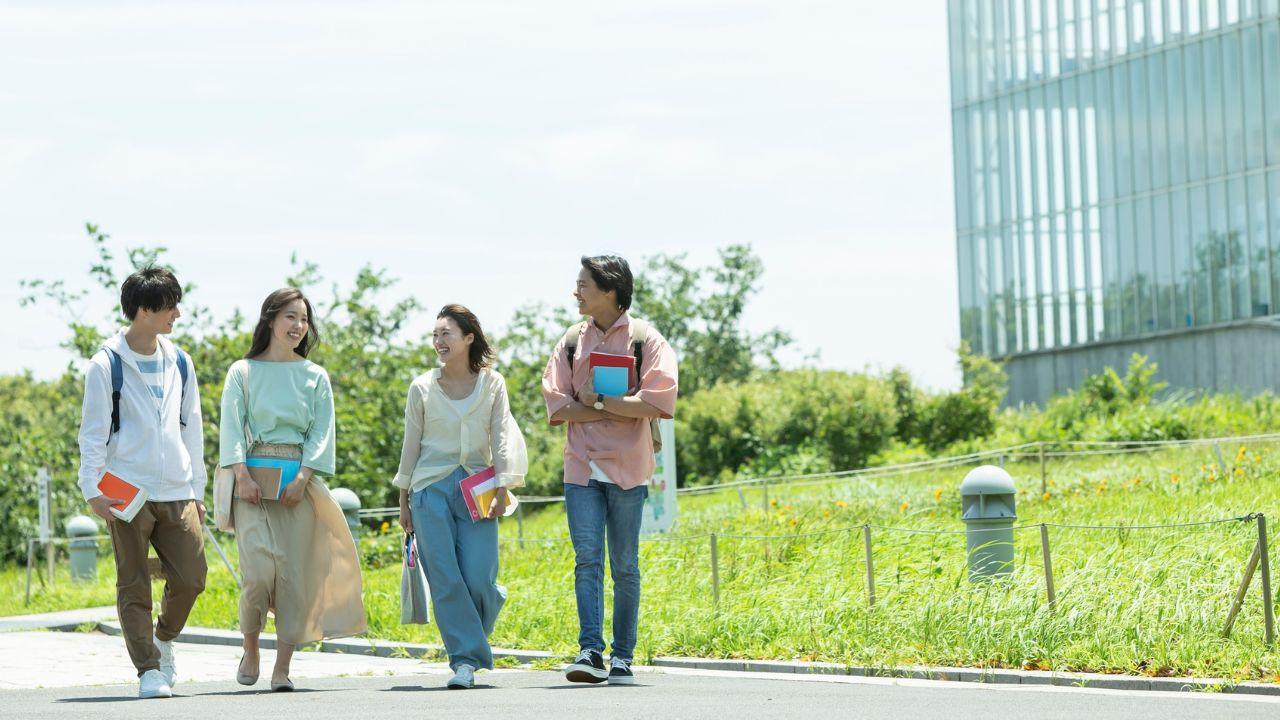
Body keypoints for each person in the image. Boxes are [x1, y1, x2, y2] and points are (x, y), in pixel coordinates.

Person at [218, 287, 366, 691]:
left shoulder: (314, 375)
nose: (299, 327)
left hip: (299, 483)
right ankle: (251, 647)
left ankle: (282, 668)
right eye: (290, 317)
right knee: (258, 572)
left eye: (304, 319)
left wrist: (303, 478)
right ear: (270, 319)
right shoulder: (242, 371)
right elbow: (231, 428)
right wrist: (242, 475)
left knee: (293, 576)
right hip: (251, 483)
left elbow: (322, 432)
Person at [541, 255, 678, 685]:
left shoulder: (645, 340)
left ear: (610, 289)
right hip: (581, 467)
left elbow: (659, 402)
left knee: (624, 565)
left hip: (628, 468)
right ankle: (590, 652)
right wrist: (618, 407)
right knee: (587, 561)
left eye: (583, 284)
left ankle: (622, 656)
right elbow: (557, 404)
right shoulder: (569, 340)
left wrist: (597, 401)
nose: (575, 292)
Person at [76, 265, 207, 699]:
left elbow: (193, 429)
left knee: (192, 577)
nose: (178, 314)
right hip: (126, 490)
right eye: (170, 306)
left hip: (177, 488)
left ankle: (163, 639)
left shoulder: (181, 361)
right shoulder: (105, 364)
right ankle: (148, 670)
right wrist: (91, 489)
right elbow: (92, 433)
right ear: (145, 310)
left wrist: (198, 490)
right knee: (133, 582)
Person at [395, 304, 527, 690]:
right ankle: (464, 661)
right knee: (446, 579)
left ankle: (470, 633)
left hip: (479, 488)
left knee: (480, 578)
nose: (438, 341)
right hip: (428, 490)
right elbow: (410, 445)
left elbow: (501, 436)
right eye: (435, 335)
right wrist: (403, 501)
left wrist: (504, 485)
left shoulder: (493, 383)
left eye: (446, 334)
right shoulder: (421, 387)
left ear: (469, 338)